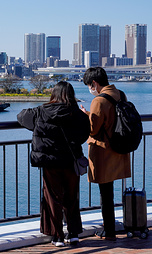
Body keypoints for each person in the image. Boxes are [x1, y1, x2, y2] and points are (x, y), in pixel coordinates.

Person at [17, 81, 90, 247]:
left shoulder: (42, 111)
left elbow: (21, 116)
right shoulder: (78, 115)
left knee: (52, 197)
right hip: (71, 161)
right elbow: (85, 134)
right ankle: (73, 233)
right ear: (72, 95)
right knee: (71, 197)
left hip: (50, 162)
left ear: (53, 94)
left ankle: (56, 236)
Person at [80, 67, 131, 241]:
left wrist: (86, 116)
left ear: (94, 83)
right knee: (110, 192)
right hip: (119, 148)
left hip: (104, 151)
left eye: (89, 84)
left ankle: (109, 231)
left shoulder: (98, 101)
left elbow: (93, 130)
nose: (90, 88)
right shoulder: (121, 95)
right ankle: (110, 228)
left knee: (105, 194)